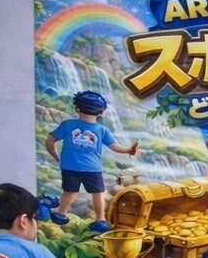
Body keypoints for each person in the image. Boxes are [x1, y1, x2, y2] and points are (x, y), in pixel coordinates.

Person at [44, 90, 138, 232]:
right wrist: (128, 150)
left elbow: (50, 141)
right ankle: (100, 220)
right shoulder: (102, 130)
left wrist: (55, 156)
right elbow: (114, 147)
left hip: (70, 167)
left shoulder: (67, 124)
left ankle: (60, 213)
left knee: (69, 192)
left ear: (77, 108)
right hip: (92, 168)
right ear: (101, 112)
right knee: (98, 194)